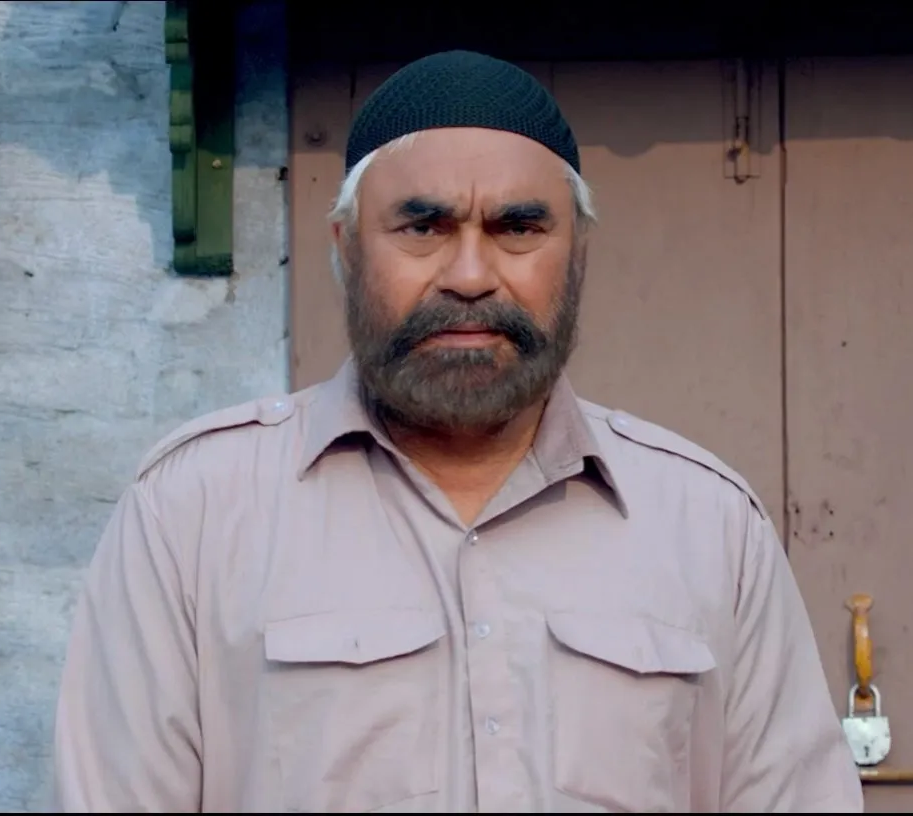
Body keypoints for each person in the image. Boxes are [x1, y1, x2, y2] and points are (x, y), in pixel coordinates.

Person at [52, 50, 864, 813]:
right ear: (346, 250)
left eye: (517, 227)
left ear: (576, 255)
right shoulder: (194, 512)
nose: (470, 276)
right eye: (423, 227)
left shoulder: (707, 525)